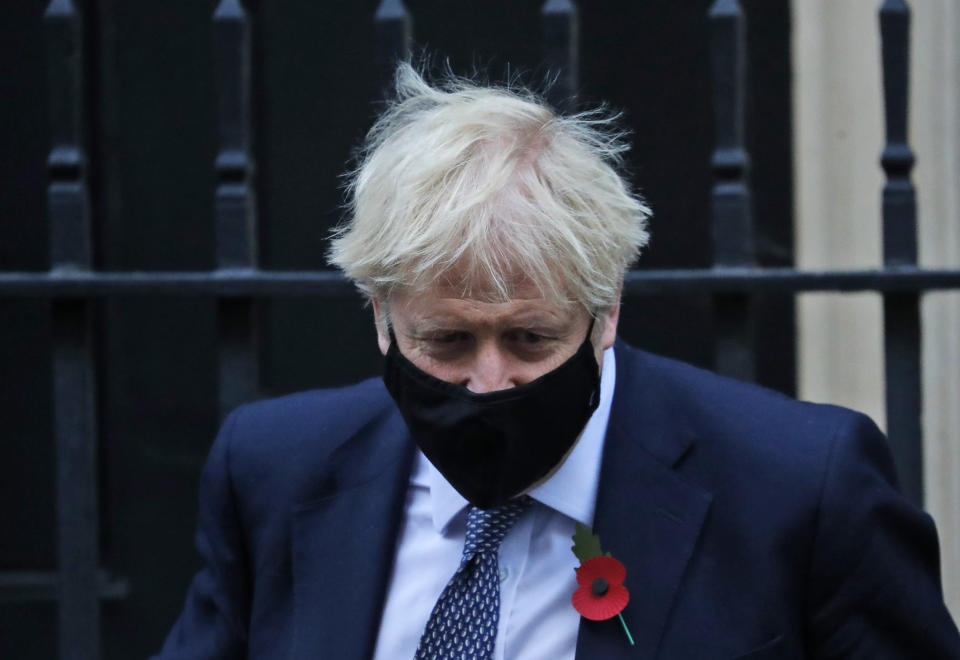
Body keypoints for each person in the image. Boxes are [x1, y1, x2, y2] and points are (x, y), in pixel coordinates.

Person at [153, 63, 960, 659]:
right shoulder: (273, 469)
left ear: (606, 311)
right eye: (447, 341)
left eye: (531, 339)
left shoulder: (801, 488)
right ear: (381, 317)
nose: (489, 381)